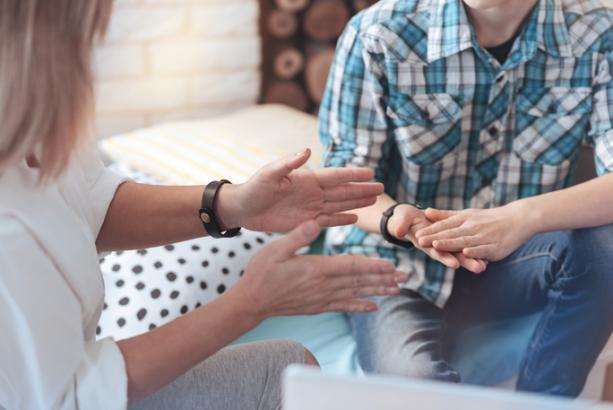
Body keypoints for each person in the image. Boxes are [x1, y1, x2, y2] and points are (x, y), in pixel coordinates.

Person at [0, 1, 409, 409]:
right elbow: (75, 396)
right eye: (83, 40)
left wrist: (232, 204)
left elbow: (91, 203)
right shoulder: (8, 231)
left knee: (286, 369)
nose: (90, 61)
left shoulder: (35, 132)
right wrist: (250, 303)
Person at [320, 0, 613, 397]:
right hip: (395, 264)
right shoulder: (376, 34)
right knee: (417, 389)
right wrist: (396, 219)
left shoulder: (599, 32)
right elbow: (342, 189)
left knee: (605, 247)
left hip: (515, 263)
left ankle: (544, 403)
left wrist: (522, 218)